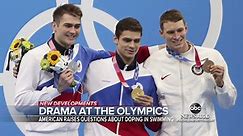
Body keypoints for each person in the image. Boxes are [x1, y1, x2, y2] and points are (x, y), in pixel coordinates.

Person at [14, 4, 110, 136]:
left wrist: (145, 52)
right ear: (54, 26)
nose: (73, 31)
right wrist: (56, 90)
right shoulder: (34, 57)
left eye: (77, 26)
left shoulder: (83, 53)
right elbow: (20, 102)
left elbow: (117, 57)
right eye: (68, 25)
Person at [144, 9, 237, 136]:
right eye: (171, 32)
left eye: (180, 30)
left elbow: (228, 103)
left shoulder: (212, 56)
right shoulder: (152, 63)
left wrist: (221, 84)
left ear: (186, 28)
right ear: (161, 33)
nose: (177, 36)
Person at [83, 17, 161, 136]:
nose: (132, 45)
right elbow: (69, 93)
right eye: (127, 40)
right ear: (115, 39)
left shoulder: (147, 76)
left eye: (136, 41)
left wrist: (150, 110)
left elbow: (155, 126)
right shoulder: (95, 68)